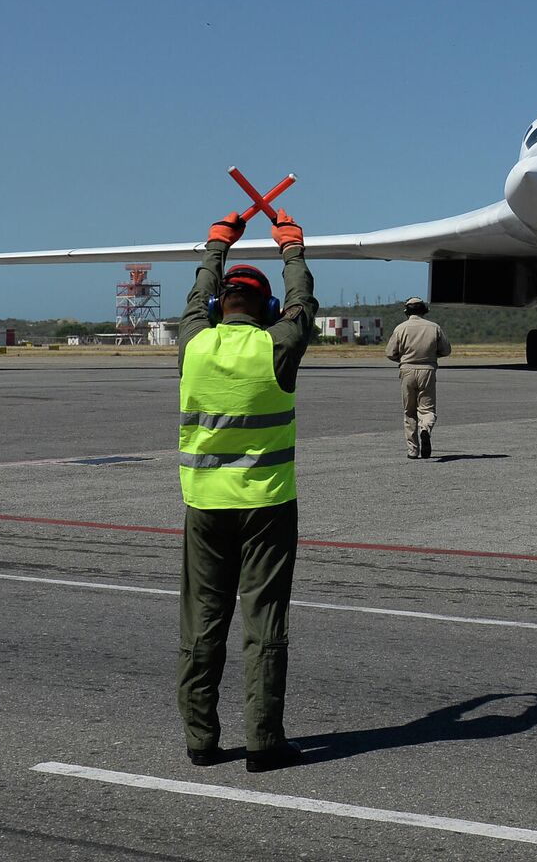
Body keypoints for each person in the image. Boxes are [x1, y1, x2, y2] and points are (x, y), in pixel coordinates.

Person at [176, 206, 317, 773]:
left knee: (202, 623)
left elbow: (197, 294)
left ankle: (201, 740)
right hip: (268, 508)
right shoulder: (278, 347)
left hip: (205, 507)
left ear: (215, 309)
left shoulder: (193, 344)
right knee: (264, 623)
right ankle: (263, 741)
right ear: (271, 310)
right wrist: (291, 247)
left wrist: (218, 243)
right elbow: (303, 303)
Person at [385, 296, 451, 459]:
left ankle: (413, 450)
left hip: (406, 370)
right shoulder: (434, 327)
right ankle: (425, 429)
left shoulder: (400, 328)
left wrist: (402, 359)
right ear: (424, 310)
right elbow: (446, 350)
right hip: (427, 370)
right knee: (427, 409)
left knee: (409, 411)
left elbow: (390, 353)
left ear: (407, 311)